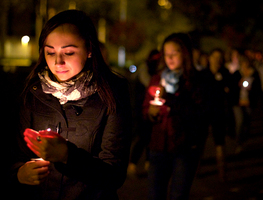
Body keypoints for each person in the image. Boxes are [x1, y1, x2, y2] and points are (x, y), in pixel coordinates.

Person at [9, 10, 131, 200]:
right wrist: (19, 173)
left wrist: (68, 156)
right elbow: (13, 154)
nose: (58, 62)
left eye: (69, 52)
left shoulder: (111, 95)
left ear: (90, 49)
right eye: (50, 52)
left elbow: (114, 175)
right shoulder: (32, 93)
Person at [143, 33, 203, 200]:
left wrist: (169, 100)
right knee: (155, 194)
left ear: (184, 53)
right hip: (158, 145)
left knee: (178, 195)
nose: (169, 57)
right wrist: (150, 113)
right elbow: (145, 108)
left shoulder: (193, 80)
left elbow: (197, 114)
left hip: (183, 147)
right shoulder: (157, 78)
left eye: (174, 53)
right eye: (166, 53)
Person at [199, 48, 231, 182]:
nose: (217, 60)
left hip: (218, 111)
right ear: (209, 58)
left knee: (220, 141)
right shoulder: (203, 74)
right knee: (200, 140)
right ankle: (196, 169)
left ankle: (222, 171)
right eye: (215, 57)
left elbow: (230, 90)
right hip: (203, 112)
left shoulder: (225, 73)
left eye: (220, 58)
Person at [231, 55, 261, 153]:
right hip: (238, 103)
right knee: (240, 122)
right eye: (243, 62)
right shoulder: (237, 74)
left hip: (249, 102)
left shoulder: (254, 74)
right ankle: (238, 143)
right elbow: (231, 87)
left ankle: (244, 140)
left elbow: (258, 88)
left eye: (246, 62)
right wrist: (237, 85)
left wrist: (252, 90)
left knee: (247, 122)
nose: (245, 64)